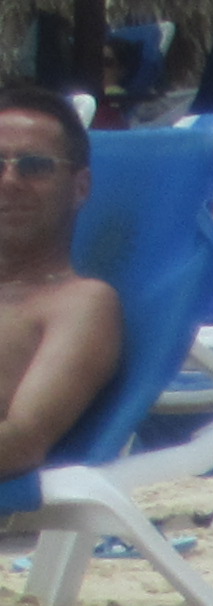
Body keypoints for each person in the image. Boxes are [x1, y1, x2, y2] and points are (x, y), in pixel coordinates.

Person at [0, 87, 119, 484]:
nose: (9, 181)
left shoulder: (79, 304)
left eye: (34, 166)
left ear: (80, 187)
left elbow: (22, 442)